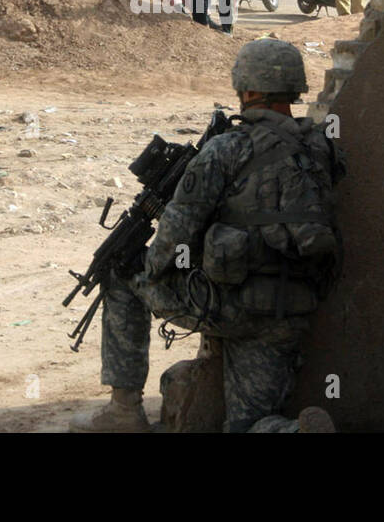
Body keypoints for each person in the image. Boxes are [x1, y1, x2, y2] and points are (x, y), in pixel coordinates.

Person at [69, 39, 343, 433]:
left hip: (227, 307)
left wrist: (151, 265)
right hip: (291, 312)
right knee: (247, 423)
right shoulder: (321, 149)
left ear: (247, 90)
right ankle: (294, 431)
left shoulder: (226, 148)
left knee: (120, 274)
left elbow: (175, 234)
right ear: (294, 89)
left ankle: (124, 411)